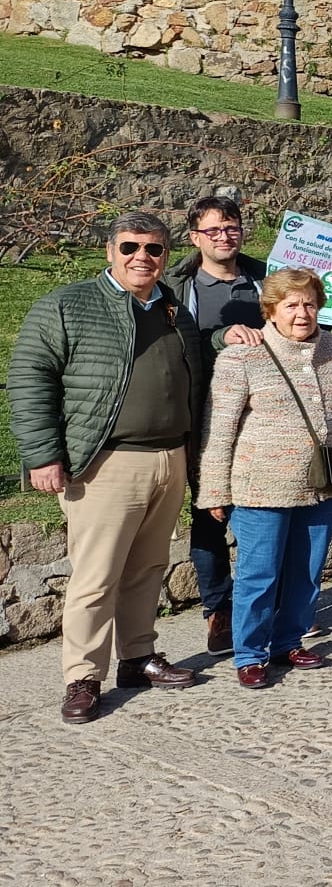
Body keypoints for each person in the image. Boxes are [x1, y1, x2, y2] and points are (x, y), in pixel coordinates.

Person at [8, 211, 205, 723]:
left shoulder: (173, 311)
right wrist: (43, 454)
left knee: (148, 569)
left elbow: (196, 369)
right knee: (95, 578)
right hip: (104, 464)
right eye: (131, 247)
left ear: (165, 255)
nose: (143, 257)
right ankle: (82, 677)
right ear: (110, 252)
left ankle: (138, 658)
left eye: (154, 249)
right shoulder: (68, 306)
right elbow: (31, 380)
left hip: (169, 457)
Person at [163, 194, 332, 655]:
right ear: (195, 237)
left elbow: (308, 316)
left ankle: (285, 623)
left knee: (287, 539)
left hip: (273, 411)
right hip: (204, 405)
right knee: (211, 515)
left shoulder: (264, 272)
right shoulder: (178, 286)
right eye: (213, 231)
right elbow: (171, 344)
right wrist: (218, 338)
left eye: (231, 228)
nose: (224, 237)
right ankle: (218, 609)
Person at [196, 268, 332, 686]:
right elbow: (220, 429)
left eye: (309, 303)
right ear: (271, 310)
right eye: (291, 305)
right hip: (261, 485)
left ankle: (289, 642)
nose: (301, 313)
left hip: (322, 482)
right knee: (260, 572)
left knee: (307, 569)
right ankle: (250, 653)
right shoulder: (242, 356)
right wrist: (214, 489)